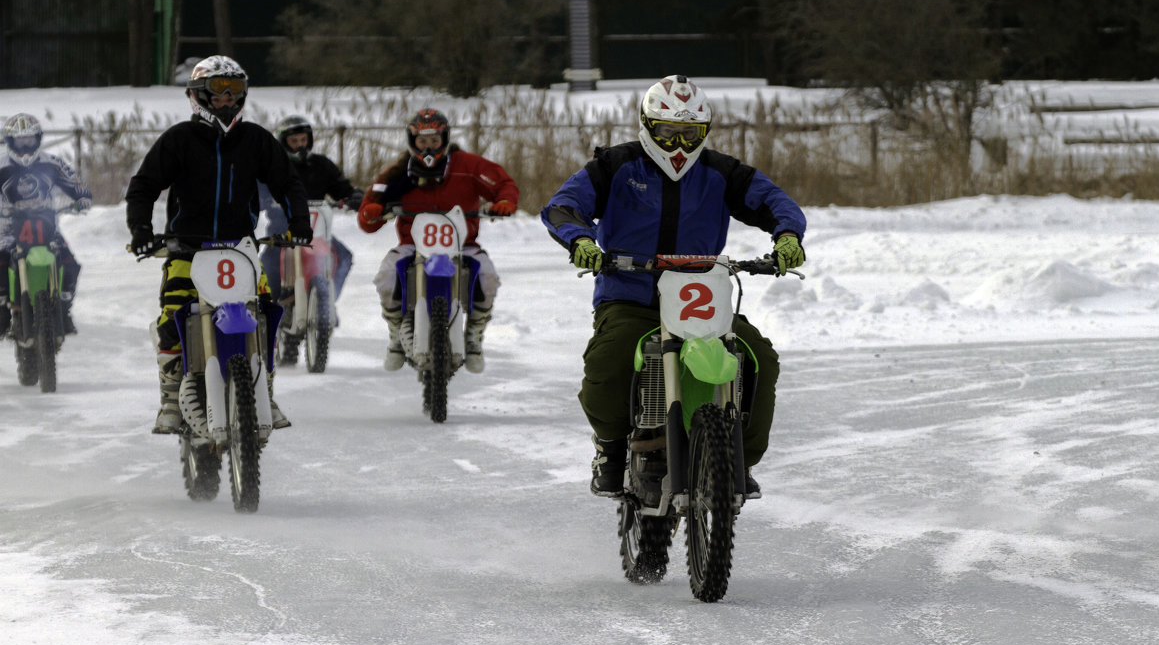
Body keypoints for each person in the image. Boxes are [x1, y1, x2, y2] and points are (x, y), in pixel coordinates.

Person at [540, 74, 806, 499]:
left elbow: (775, 201)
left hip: (702, 302)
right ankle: (610, 448)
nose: (678, 144)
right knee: (609, 361)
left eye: (690, 133)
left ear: (704, 132)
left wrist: (787, 235)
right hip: (630, 296)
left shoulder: (721, 172)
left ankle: (739, 457)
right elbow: (562, 206)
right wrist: (581, 240)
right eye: (668, 132)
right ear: (647, 127)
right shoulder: (616, 166)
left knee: (758, 359)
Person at [124, 55, 312, 435]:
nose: (227, 100)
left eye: (235, 92)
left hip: (240, 249)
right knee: (172, 314)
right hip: (186, 249)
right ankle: (171, 395)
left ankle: (265, 390)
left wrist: (299, 224)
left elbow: (286, 183)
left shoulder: (256, 139)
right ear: (198, 96)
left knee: (263, 312)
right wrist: (142, 230)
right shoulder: (179, 139)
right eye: (218, 92)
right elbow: (144, 185)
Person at [357, 108, 518, 373]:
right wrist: (371, 211)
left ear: (444, 139)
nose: (428, 147)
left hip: (463, 244)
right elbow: (370, 206)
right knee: (386, 277)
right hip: (412, 244)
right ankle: (397, 334)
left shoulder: (468, 165)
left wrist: (504, 201)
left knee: (488, 278)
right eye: (422, 141)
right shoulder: (398, 173)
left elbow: (503, 182)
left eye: (434, 141)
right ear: (412, 142)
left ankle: (475, 335)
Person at [0, 112, 92, 337]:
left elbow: (76, 183)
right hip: (8, 228)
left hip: (46, 226)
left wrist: (82, 198)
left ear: (38, 139)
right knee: (1, 261)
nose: (25, 145)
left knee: (71, 265)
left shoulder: (52, 163)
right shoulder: (2, 166)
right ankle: (3, 309)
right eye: (20, 140)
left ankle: (63, 309)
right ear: (10, 141)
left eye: (29, 140)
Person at [258, 114, 362, 305]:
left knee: (343, 256)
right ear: (283, 142)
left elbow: (342, 189)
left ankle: (326, 304)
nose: (300, 145)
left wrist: (354, 197)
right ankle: (270, 311)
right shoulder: (273, 168)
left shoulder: (321, 165)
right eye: (294, 141)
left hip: (317, 234)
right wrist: (263, 199)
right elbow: (257, 192)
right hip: (282, 234)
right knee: (268, 264)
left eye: (303, 140)